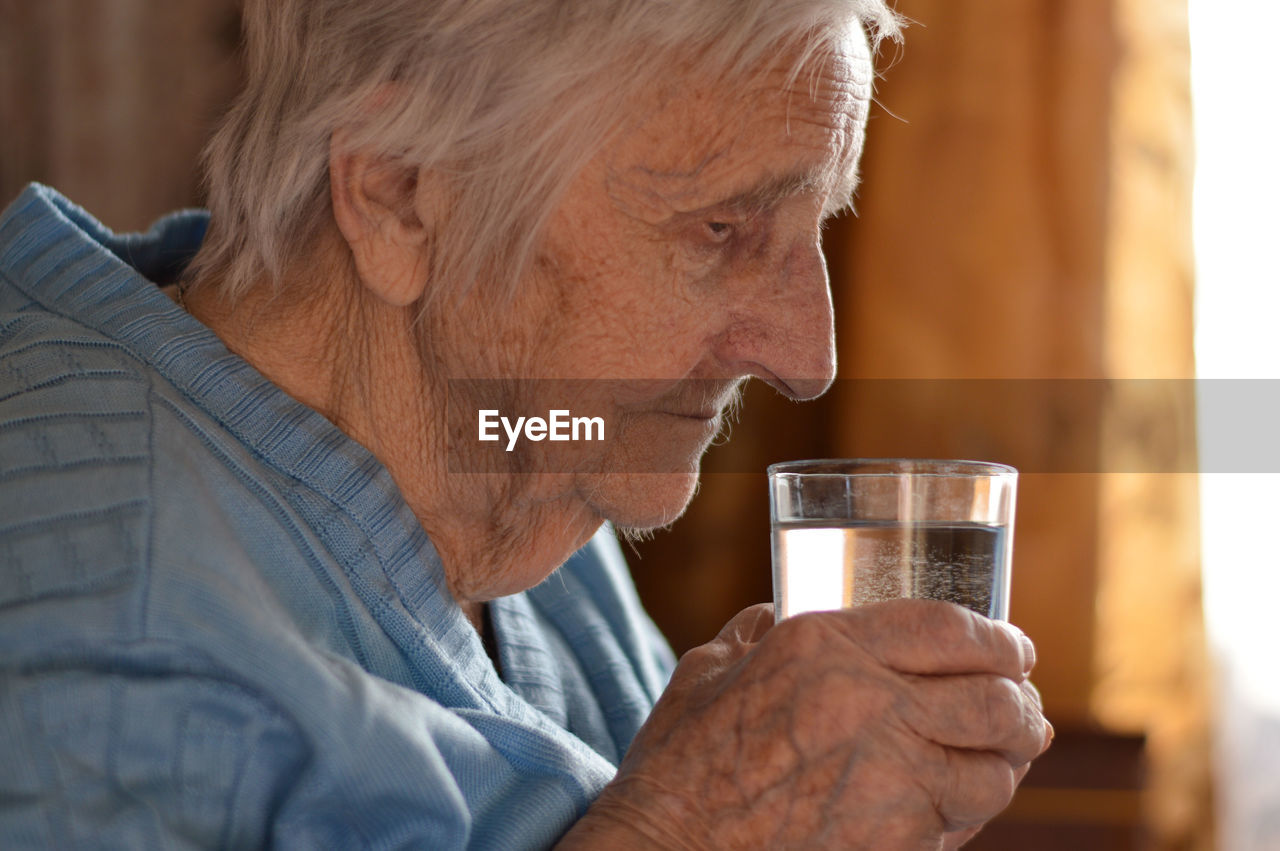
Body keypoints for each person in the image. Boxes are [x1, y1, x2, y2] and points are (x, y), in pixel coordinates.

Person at [0, 0, 1051, 847]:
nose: (807, 357)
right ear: (400, 195)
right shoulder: (94, 630)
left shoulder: (520, 439)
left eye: (813, 222)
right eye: (720, 227)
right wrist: (682, 832)